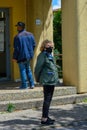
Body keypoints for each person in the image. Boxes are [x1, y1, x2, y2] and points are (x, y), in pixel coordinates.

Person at [35, 39, 58, 125]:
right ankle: (44, 119)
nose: (50, 48)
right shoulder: (42, 55)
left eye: (52, 46)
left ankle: (46, 116)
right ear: (44, 47)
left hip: (51, 80)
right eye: (48, 46)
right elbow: (38, 68)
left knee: (48, 99)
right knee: (47, 99)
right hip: (47, 80)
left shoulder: (49, 55)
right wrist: (37, 78)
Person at [13, 21, 36, 89]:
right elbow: (34, 45)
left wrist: (14, 57)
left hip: (21, 56)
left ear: (20, 27)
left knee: (22, 70)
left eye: (17, 26)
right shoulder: (31, 34)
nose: (17, 27)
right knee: (28, 69)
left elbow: (16, 48)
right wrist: (30, 52)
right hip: (29, 56)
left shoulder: (17, 37)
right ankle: (32, 84)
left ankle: (24, 85)